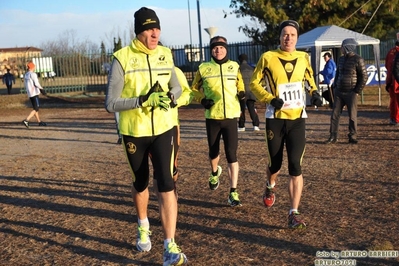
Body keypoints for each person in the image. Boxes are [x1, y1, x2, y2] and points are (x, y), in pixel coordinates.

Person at [104, 7, 187, 265]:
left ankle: (169, 247)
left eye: (157, 28)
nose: (154, 33)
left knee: (167, 184)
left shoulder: (165, 54)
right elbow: (110, 103)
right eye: (149, 29)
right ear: (139, 32)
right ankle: (143, 225)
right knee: (141, 183)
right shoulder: (122, 58)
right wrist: (141, 100)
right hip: (134, 132)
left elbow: (176, 85)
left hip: (163, 128)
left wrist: (171, 97)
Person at [249, 20, 323, 229]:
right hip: (275, 118)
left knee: (295, 166)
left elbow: (309, 80)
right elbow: (254, 83)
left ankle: (293, 212)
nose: (288, 37)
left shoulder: (303, 57)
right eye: (285, 34)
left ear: (297, 38)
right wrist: (269, 98)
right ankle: (270, 185)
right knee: (275, 164)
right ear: (279, 37)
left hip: (297, 119)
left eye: (292, 34)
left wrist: (315, 94)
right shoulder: (268, 57)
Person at [191, 35, 245, 207]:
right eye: (215, 47)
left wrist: (242, 93)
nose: (218, 50)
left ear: (226, 49)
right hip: (212, 116)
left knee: (232, 154)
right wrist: (202, 100)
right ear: (211, 50)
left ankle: (233, 192)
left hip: (230, 116)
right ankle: (214, 172)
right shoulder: (204, 68)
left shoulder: (234, 66)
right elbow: (193, 88)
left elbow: (240, 85)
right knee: (213, 151)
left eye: (221, 47)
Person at [326, 38, 367, 144]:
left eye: (342, 46)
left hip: (351, 92)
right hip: (339, 91)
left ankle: (352, 136)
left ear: (347, 47)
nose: (341, 48)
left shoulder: (358, 59)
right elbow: (338, 73)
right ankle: (333, 136)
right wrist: (335, 86)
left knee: (352, 116)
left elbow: (364, 77)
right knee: (334, 115)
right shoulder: (341, 59)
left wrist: (357, 91)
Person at [237, 53, 260, 131]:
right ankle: (256, 125)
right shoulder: (252, 68)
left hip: (242, 92)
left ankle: (241, 126)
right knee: (252, 108)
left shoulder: (238, 69)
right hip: (251, 91)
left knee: (241, 109)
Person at [22, 62, 47, 128]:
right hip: (34, 93)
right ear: (32, 67)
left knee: (35, 108)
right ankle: (26, 120)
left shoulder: (26, 74)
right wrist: (42, 89)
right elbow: (36, 83)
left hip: (30, 93)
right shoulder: (33, 74)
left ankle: (39, 122)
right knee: (36, 108)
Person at [385, 39, 399, 126]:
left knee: (393, 100)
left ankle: (393, 118)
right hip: (396, 81)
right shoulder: (396, 53)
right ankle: (396, 119)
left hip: (392, 80)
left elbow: (387, 66)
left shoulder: (391, 52)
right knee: (397, 101)